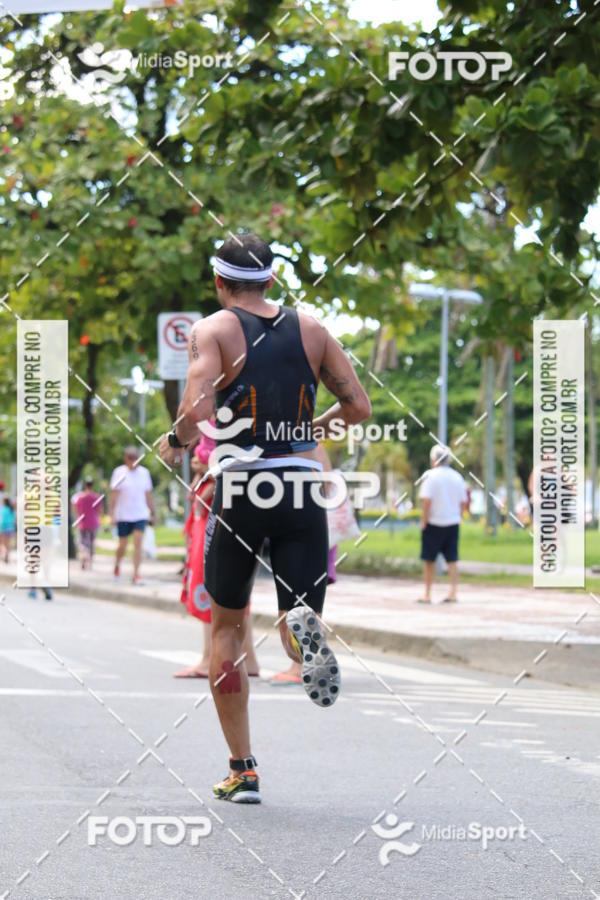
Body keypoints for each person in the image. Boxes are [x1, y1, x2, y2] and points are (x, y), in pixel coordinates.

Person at [159, 232, 370, 804]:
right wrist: (302, 435)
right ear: (272, 280)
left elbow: (197, 409)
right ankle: (303, 640)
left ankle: (243, 770)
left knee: (227, 628)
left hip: (242, 486)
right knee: (295, 616)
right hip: (302, 485)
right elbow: (358, 407)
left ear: (219, 281)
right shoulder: (314, 330)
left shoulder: (215, 330)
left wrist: (177, 441)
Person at [175, 436, 260, 679]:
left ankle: (209, 656)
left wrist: (205, 470)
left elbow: (223, 459)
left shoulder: (222, 415)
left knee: (211, 585)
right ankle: (248, 657)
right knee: (234, 591)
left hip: (217, 515)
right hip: (230, 509)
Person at [418, 444, 468, 604]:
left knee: (429, 560)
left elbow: (427, 501)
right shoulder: (457, 477)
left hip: (433, 523)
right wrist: (458, 517)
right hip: (452, 523)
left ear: (434, 459)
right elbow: (463, 502)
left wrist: (423, 521)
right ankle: (453, 592)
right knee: (452, 560)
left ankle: (427, 593)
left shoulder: (429, 476)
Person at [109, 447, 155, 585]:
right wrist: (112, 515)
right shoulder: (118, 472)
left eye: (135, 457)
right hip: (123, 515)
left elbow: (148, 495)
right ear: (126, 458)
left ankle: (136, 574)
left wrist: (152, 512)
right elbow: (114, 496)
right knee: (122, 545)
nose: (133, 460)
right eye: (130, 457)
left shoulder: (144, 473)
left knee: (138, 542)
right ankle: (117, 564)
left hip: (140, 514)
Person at [71, 477, 102, 570]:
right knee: (92, 543)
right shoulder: (96, 497)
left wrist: (77, 517)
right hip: (94, 523)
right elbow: (100, 511)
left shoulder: (79, 497)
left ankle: (84, 556)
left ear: (85, 485)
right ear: (92, 485)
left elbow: (74, 508)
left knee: (82, 543)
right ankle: (91, 563)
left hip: (82, 523)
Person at [0, 497, 16, 563]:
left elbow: (2, 520)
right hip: (11, 528)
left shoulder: (3, 509)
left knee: (2, 543)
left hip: (4, 528)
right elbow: (14, 520)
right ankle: (7, 555)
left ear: (4, 502)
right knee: (8, 543)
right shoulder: (12, 510)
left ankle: (3, 555)